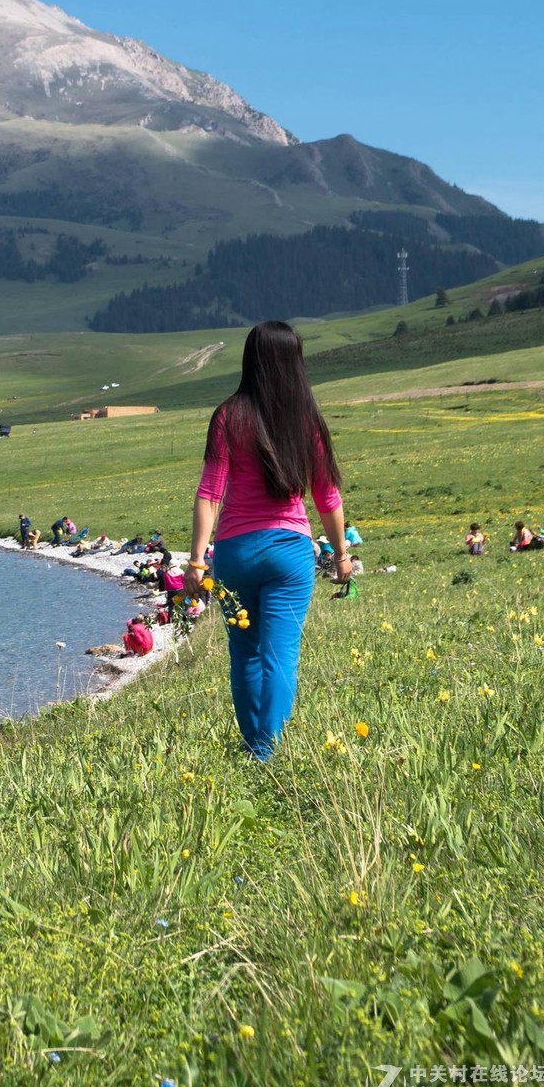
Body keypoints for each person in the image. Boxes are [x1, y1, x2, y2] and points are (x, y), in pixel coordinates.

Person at [183, 320, 349, 761]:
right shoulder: (307, 421)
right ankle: (266, 751)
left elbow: (209, 493)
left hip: (235, 555)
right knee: (280, 657)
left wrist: (197, 560)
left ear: (250, 359)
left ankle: (254, 743)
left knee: (244, 653)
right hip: (290, 554)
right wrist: (341, 557)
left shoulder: (227, 416)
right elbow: (327, 497)